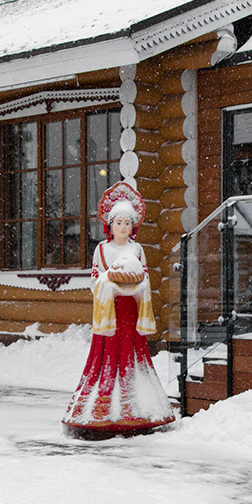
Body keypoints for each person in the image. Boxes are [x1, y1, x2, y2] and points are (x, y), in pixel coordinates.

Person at [62, 181, 176, 439]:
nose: (122, 228)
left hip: (131, 311)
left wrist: (135, 286)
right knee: (107, 353)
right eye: (118, 223)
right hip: (110, 312)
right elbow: (95, 280)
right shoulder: (101, 250)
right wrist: (110, 283)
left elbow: (145, 278)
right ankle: (100, 407)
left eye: (127, 223)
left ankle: (139, 406)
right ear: (109, 226)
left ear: (133, 227)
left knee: (133, 351)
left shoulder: (137, 250)